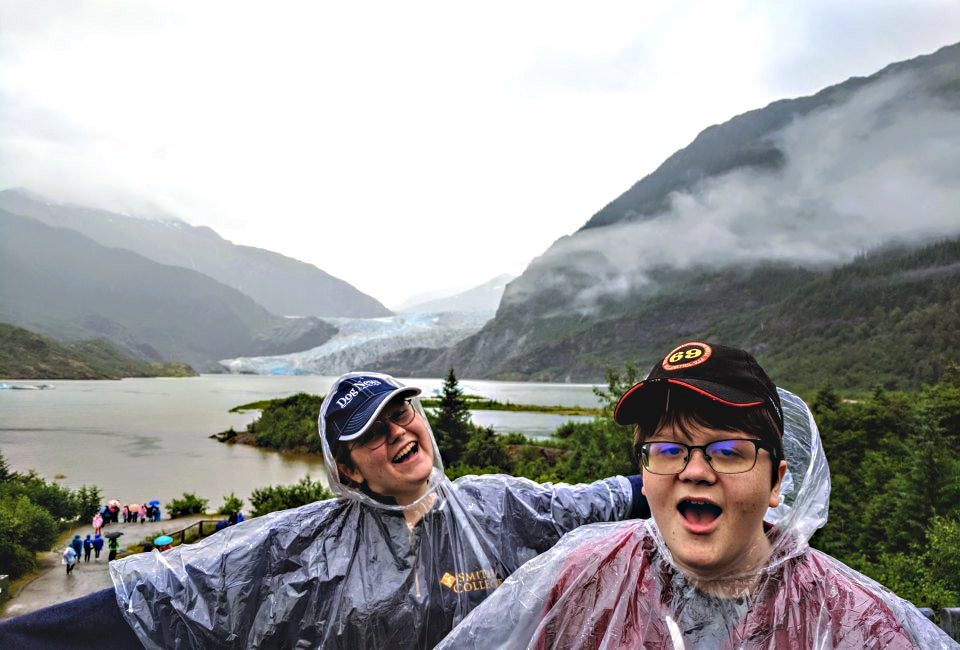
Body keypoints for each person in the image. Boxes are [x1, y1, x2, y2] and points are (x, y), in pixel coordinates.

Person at [0, 371, 648, 649]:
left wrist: (719, 475)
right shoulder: (303, 548)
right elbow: (171, 596)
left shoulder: (500, 507)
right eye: (373, 432)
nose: (398, 432)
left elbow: (618, 498)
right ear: (346, 468)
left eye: (403, 412)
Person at [438, 341, 958, 649]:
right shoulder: (583, 579)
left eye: (728, 450)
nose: (694, 471)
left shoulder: (856, 624)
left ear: (777, 482)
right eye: (667, 449)